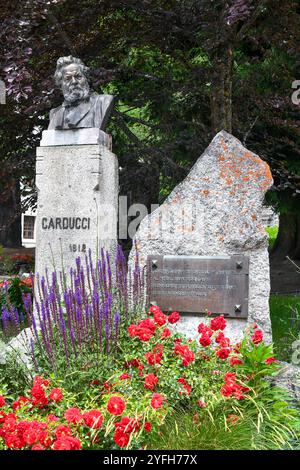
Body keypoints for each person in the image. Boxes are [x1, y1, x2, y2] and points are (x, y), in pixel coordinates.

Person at [48, 56, 114, 130]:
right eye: (68, 78)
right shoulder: (54, 114)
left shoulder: (102, 102)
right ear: (61, 85)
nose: (74, 82)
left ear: (86, 79)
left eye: (78, 76)